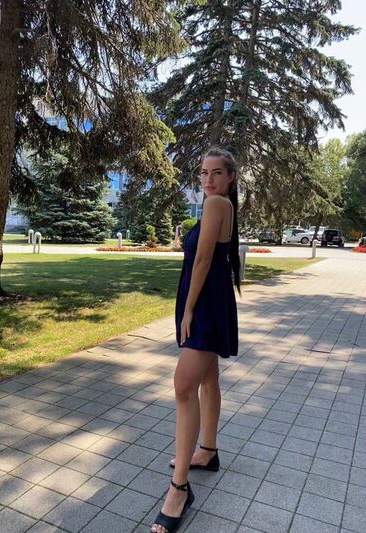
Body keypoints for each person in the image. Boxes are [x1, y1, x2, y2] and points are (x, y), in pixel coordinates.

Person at [151, 147, 240, 533]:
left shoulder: (216, 203)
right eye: (203, 172)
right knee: (208, 379)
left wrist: (188, 311)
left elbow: (203, 261)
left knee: (183, 386)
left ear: (230, 177)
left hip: (203, 303)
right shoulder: (220, 205)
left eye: (216, 173)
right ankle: (208, 451)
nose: (208, 180)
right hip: (211, 298)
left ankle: (179, 489)